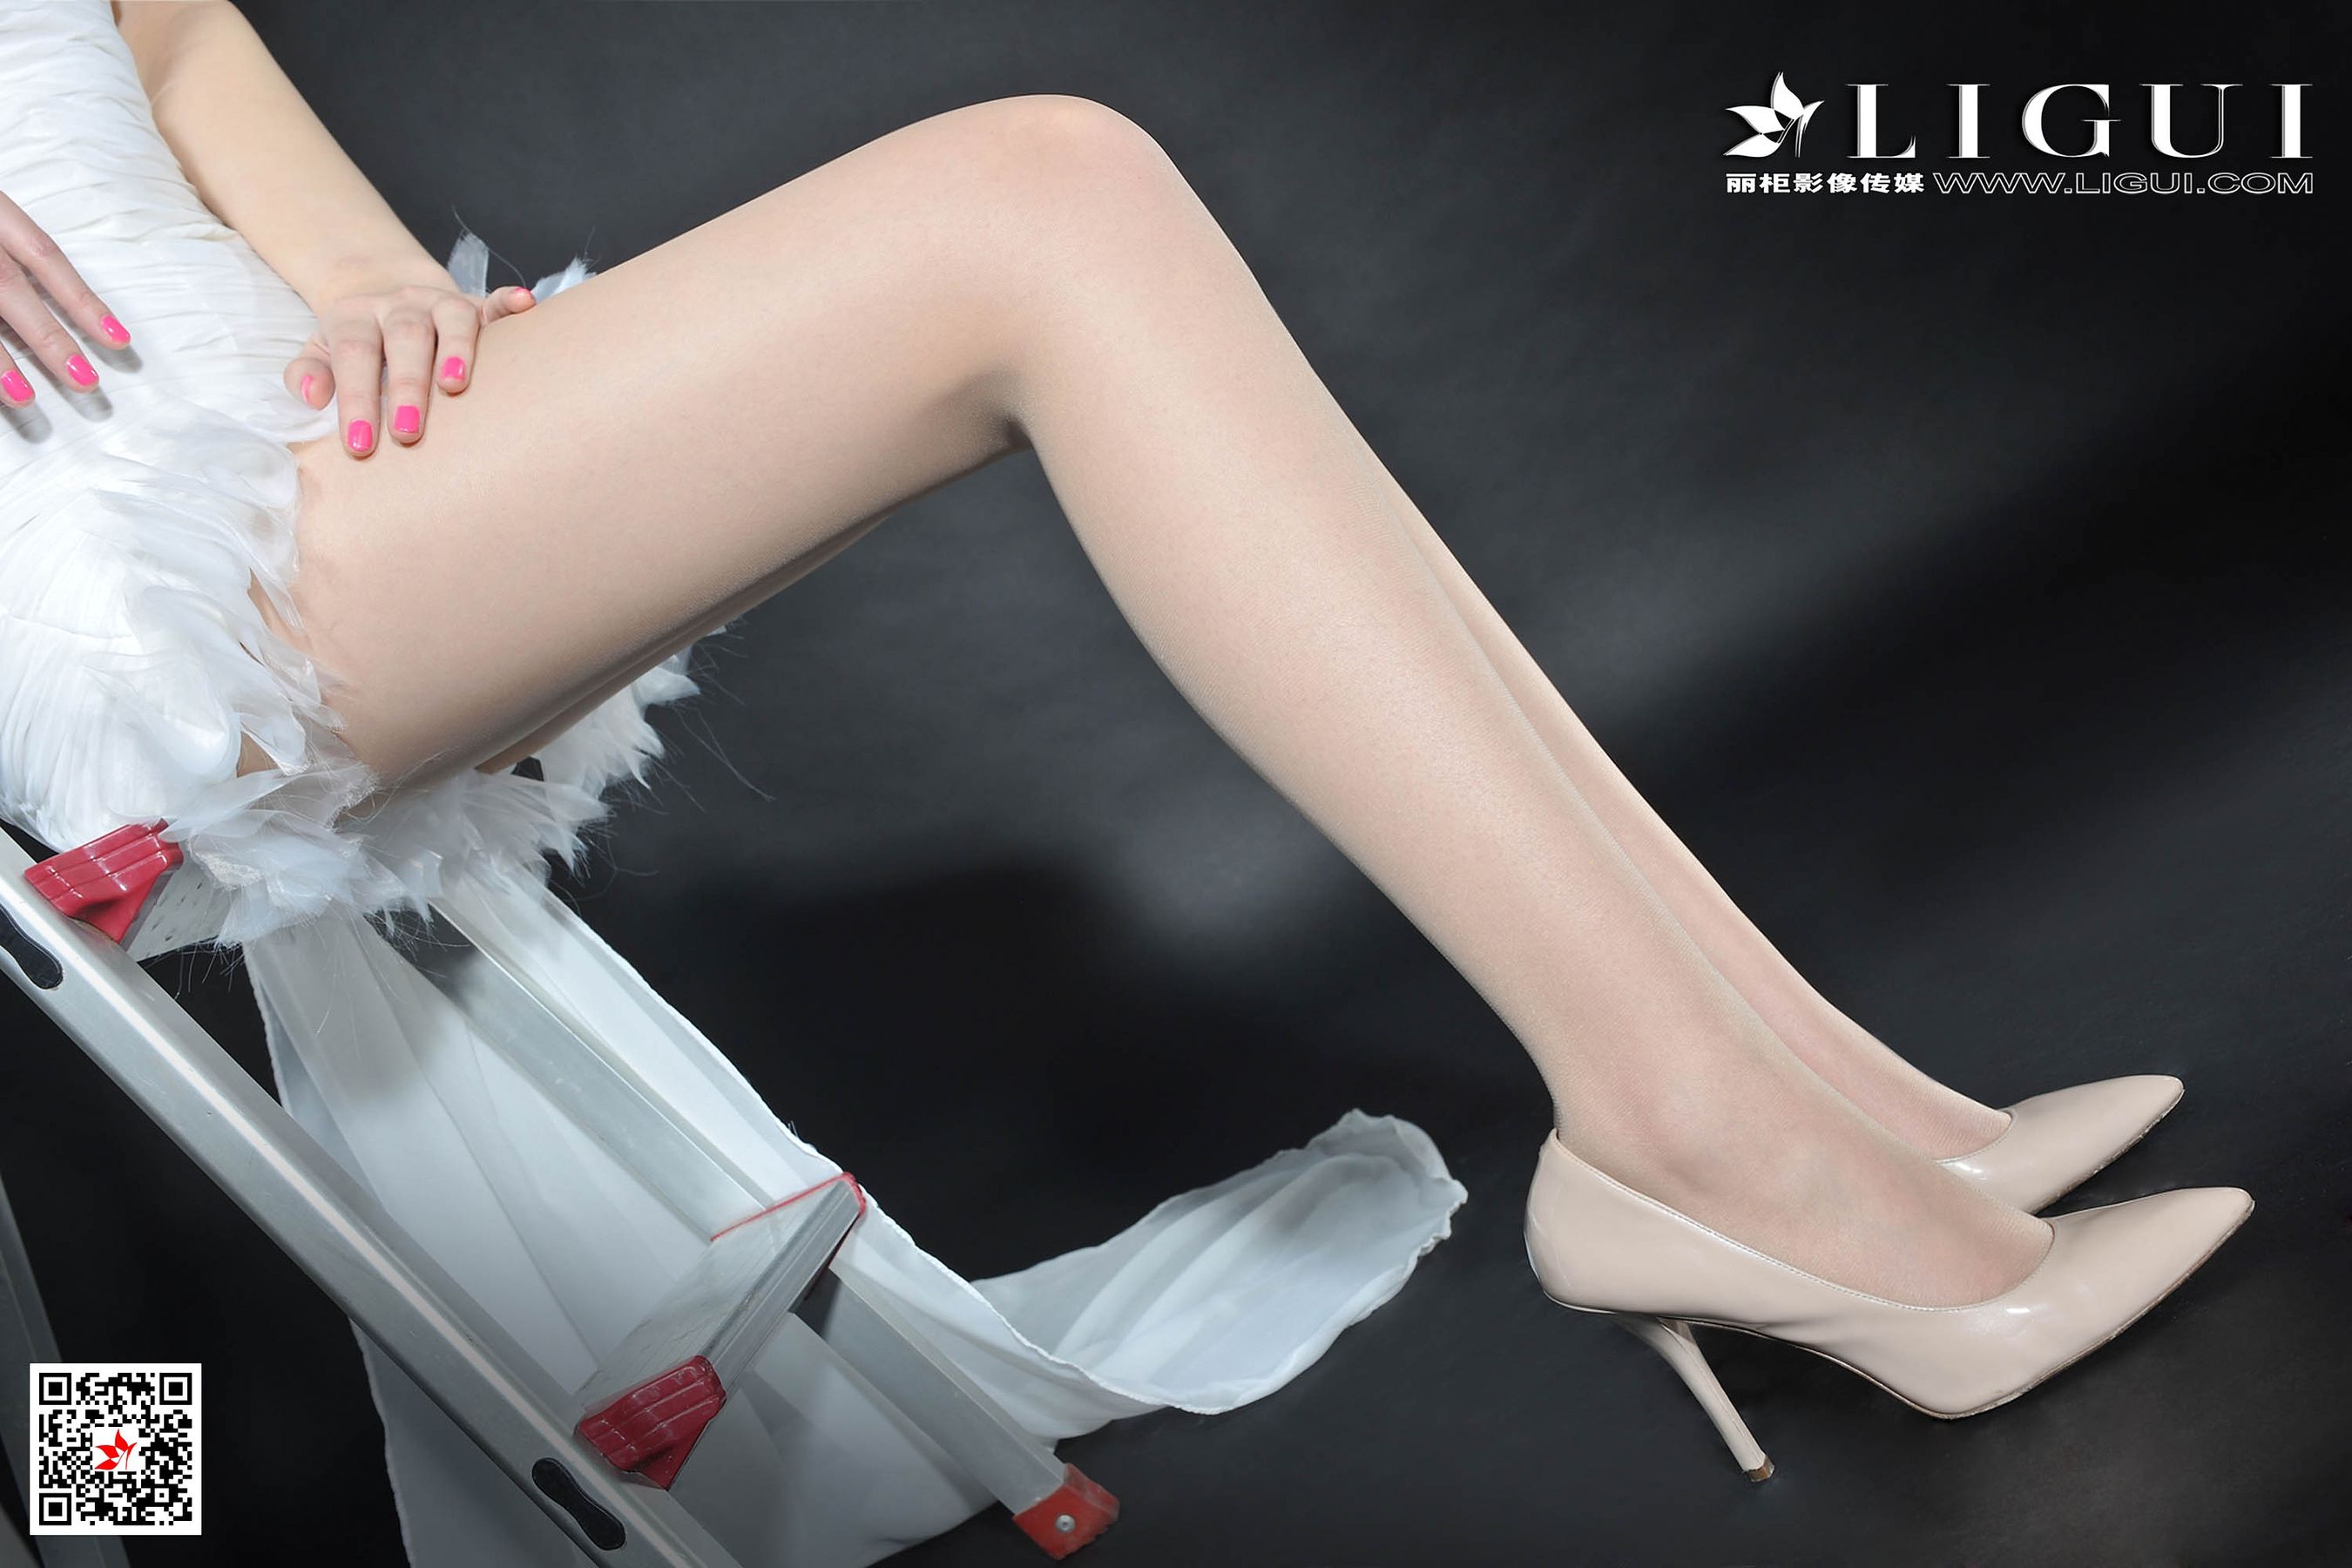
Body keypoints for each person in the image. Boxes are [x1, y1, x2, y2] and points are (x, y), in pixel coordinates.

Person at [2, 0, 2247, 1542]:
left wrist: (361, 271)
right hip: (112, 585)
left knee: (1077, 205)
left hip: (295, 439)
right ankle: (1699, 1145)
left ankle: (1790, 1093)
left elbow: (155, 24)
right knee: (1038, 198)